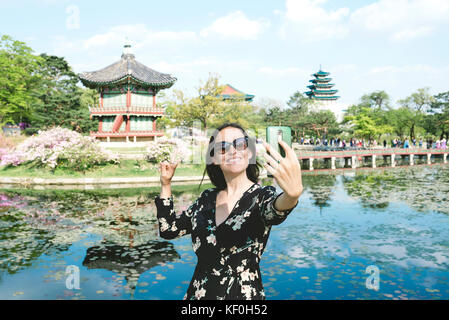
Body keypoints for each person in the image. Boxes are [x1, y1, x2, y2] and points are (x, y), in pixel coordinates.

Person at [155, 123, 303, 300]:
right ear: (214, 158)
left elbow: (276, 209)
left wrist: (292, 196)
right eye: (223, 147)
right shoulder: (206, 199)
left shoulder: (262, 196)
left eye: (240, 144)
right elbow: (169, 230)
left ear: (249, 153)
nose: (233, 151)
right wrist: (166, 184)